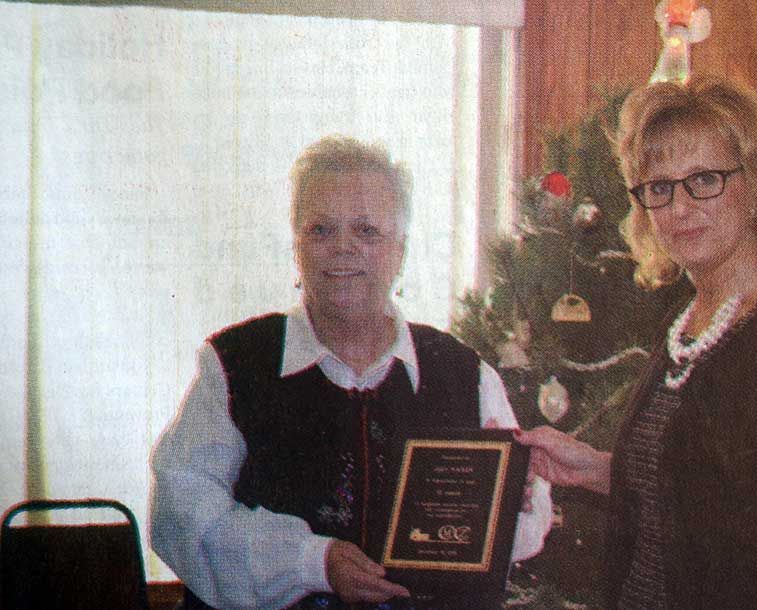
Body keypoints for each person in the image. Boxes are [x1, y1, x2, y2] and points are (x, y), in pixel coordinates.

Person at [151, 136, 551, 610]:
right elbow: (181, 515)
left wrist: (511, 505)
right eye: (320, 230)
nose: (343, 249)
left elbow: (526, 531)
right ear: (296, 247)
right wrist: (311, 561)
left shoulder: (466, 374)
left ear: (399, 250)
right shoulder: (234, 366)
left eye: (367, 231)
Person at [516, 76, 757, 608]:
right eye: (659, 188)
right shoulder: (692, 322)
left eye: (704, 179)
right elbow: (711, 488)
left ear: (751, 185)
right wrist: (596, 467)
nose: (680, 208)